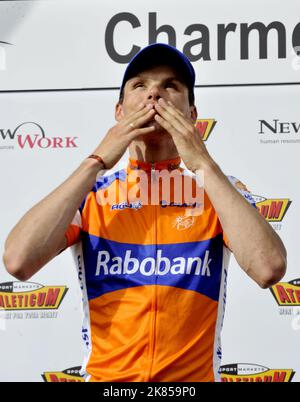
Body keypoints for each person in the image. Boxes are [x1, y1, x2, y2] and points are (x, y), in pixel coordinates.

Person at [3, 43, 286, 382]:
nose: (155, 93)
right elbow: (18, 260)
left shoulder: (216, 190)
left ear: (192, 115)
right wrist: (95, 161)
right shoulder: (92, 192)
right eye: (140, 85)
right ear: (119, 111)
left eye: (171, 86)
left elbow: (268, 268)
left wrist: (203, 165)